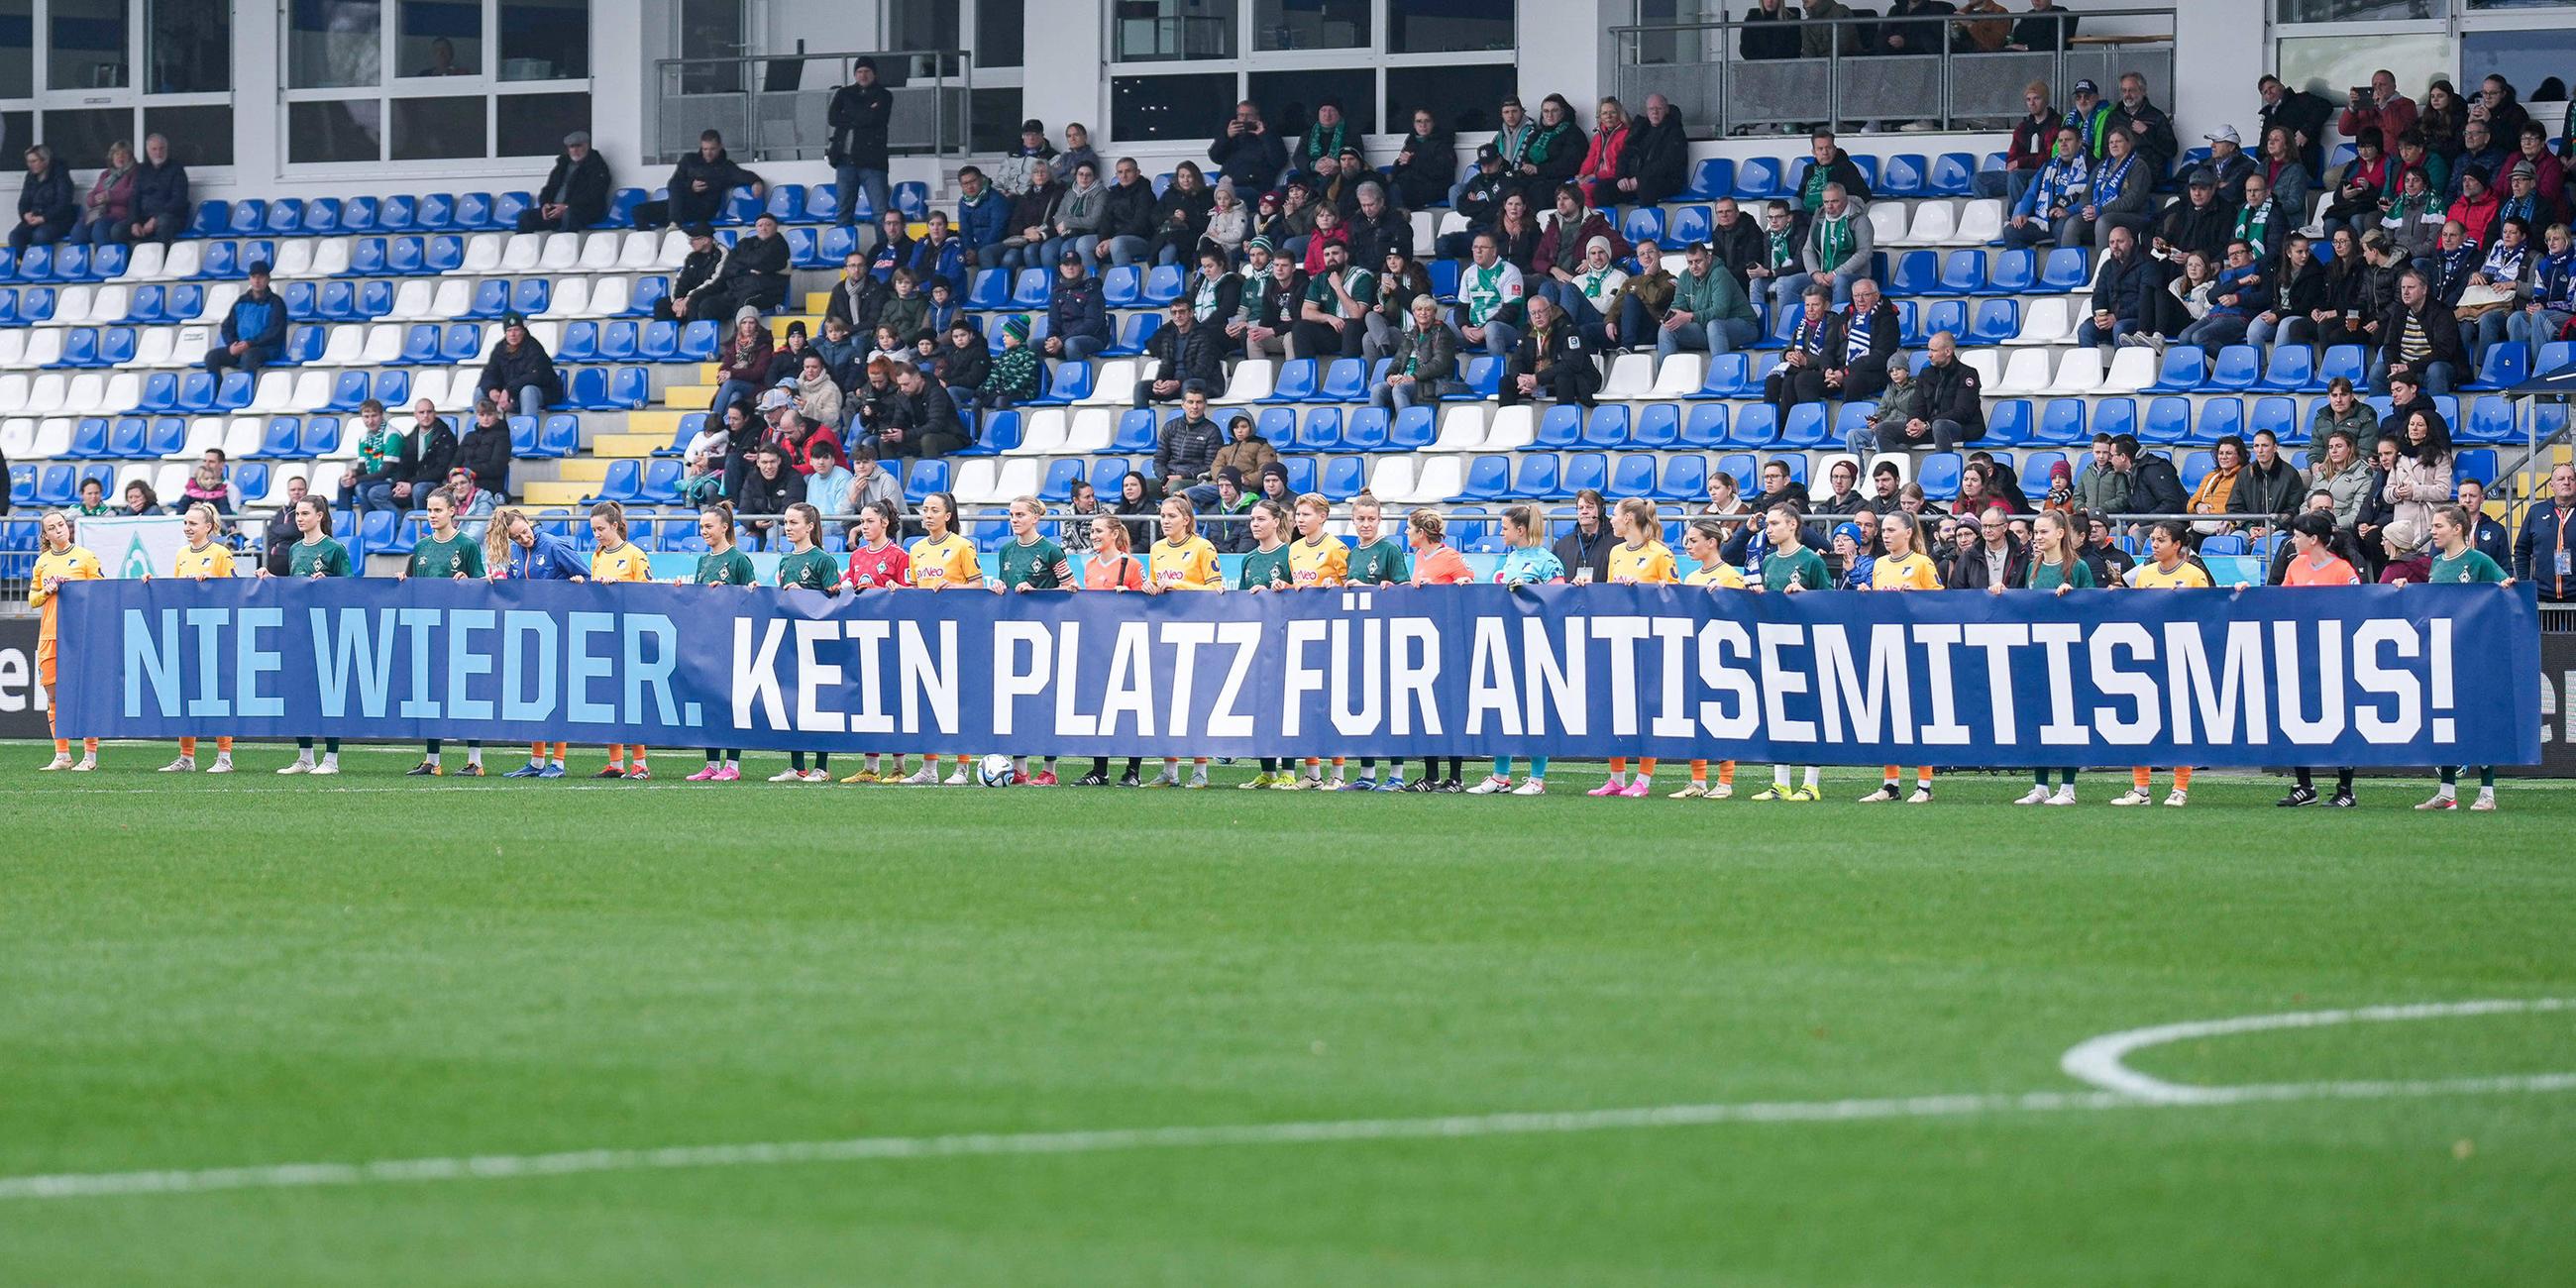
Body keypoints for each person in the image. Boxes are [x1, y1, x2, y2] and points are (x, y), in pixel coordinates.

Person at [2409, 503, 2515, 809]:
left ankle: (2487, 793)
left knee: (2480, 718)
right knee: (2445, 719)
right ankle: (2447, 792)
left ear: (2457, 528)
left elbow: (2502, 585)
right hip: (2444, 653)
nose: (2433, 531)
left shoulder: (2478, 560)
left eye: (2438, 526)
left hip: (2475, 652)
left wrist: (2505, 586)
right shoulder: (2437, 562)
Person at [2109, 521, 2211, 806]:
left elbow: (2208, 612)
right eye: (2152, 539)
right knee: (2142, 719)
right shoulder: (2146, 573)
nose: (2153, 544)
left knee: (2181, 721)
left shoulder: (2193, 575)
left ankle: (2180, 788)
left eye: (2161, 540)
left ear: (2177, 545)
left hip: (2181, 652)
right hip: (2149, 654)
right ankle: (2140, 789)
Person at [1584, 498, 1680, 799]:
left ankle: (1644, 777)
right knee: (1617, 708)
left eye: (1613, 515)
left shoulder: (1660, 554)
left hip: (1649, 641)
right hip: (1619, 637)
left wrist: (1643, 590)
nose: (1609, 520)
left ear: (1628, 518)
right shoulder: (1615, 552)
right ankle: (1616, 777)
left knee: (1646, 709)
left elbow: (1676, 598)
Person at [484, 508, 586, 778]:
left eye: (525, 533)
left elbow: (587, 578)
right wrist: (497, 581)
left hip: (562, 628)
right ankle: (537, 760)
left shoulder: (553, 545)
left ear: (530, 524)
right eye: (517, 538)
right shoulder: (517, 553)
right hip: (534, 633)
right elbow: (517, 587)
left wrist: (577, 582)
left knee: (558, 694)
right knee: (535, 695)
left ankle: (559, 762)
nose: (524, 539)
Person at [396, 490, 487, 777]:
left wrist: (468, 581)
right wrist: (404, 580)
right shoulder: (421, 547)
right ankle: (432, 759)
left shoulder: (467, 545)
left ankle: (475, 760)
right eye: (429, 510)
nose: (432, 516)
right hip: (429, 628)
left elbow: (483, 581)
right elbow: (416, 585)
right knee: (431, 693)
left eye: (437, 510)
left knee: (466, 694)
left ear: (452, 511)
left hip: (459, 630)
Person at [261, 496, 354, 775]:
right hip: (300, 628)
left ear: (319, 516)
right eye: (297, 514)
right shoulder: (297, 549)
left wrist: (330, 584)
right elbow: (294, 587)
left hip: (327, 628)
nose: (299, 518)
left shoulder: (334, 549)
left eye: (304, 513)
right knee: (299, 691)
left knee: (328, 694)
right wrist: (272, 579)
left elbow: (350, 586)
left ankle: (332, 759)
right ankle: (305, 756)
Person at [1856, 511, 1944, 804]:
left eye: (1892, 529)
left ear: (1908, 532)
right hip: (1886, 644)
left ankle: (1924, 785)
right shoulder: (1879, 564)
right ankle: (1890, 783)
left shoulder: (1922, 563)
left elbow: (1942, 602)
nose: (1885, 534)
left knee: (1918, 715)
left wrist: (1919, 593)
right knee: (1888, 716)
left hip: (1915, 646)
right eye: (1884, 529)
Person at [897, 493, 984, 786]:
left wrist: (956, 586)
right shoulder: (917, 548)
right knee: (927, 699)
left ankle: (962, 767)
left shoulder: (962, 546)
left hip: (958, 629)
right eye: (925, 510)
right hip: (927, 631)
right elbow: (914, 589)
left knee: (959, 698)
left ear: (948, 515)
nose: (928, 514)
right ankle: (928, 768)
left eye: (935, 510)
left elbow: (979, 585)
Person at [1744, 505, 1829, 801]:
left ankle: (1811, 783)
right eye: (1768, 523)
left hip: (1806, 646)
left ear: (1792, 525)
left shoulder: (1810, 560)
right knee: (1779, 712)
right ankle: (1780, 783)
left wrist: (1806, 595)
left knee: (1808, 714)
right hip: (1775, 645)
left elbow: (1830, 600)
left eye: (1775, 523)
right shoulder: (1767, 561)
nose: (1769, 528)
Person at [148, 504, 238, 773]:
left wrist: (214, 583)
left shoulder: (221, 553)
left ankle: (224, 756)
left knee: (217, 694)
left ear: (208, 527)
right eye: (185, 523)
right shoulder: (182, 554)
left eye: (193, 523)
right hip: (188, 630)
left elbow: (237, 589)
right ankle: (186, 757)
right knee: (187, 694)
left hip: (215, 630)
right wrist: (152, 583)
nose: (187, 527)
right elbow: (177, 591)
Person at [831, 499, 914, 785]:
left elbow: (911, 593)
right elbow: (847, 585)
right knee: (867, 699)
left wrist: (894, 590)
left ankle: (899, 765)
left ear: (884, 523)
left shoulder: (898, 555)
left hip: (890, 636)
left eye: (869, 521)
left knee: (891, 699)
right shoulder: (857, 557)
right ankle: (870, 766)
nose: (863, 527)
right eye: (861, 522)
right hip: (861, 635)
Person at [1141, 495, 1221, 790]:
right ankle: (1169, 768)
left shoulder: (1202, 547)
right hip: (1165, 631)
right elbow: (1154, 584)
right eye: (1162, 515)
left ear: (1186, 519)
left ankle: (1200, 770)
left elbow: (1216, 588)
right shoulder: (1157, 549)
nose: (1165, 520)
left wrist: (1180, 586)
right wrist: (1148, 586)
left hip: (1196, 631)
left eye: (1171, 516)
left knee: (1196, 701)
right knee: (1164, 700)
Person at [582, 501, 654, 780]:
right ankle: (615, 762)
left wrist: (620, 587)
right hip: (605, 632)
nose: (596, 534)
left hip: (630, 632)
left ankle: (641, 764)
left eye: (601, 529)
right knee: (608, 698)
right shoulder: (598, 555)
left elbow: (648, 593)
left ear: (615, 525)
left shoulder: (635, 555)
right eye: (593, 530)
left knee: (631, 699)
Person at [30, 510, 103, 771]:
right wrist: (46, 590)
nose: (59, 529)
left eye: (61, 524)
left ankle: (90, 755)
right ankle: (62, 755)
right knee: (53, 694)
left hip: (80, 634)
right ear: (46, 535)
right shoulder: (42, 562)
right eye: (52, 527)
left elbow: (101, 592)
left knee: (84, 693)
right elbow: (32, 599)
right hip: (50, 633)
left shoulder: (85, 557)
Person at [642, 130, 764, 230]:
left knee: (677, 189)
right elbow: (673, 183)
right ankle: (651, 248)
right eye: (705, 149)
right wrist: (691, 186)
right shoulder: (689, 160)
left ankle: (675, 224)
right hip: (679, 206)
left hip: (703, 210)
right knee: (638, 211)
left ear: (720, 147)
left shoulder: (725, 167)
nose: (708, 153)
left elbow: (742, 175)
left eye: (712, 149)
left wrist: (756, 182)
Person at [1659, 239, 1759, 361]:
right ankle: (1666, 376)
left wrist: (1689, 317)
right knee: (1667, 329)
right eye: (1690, 262)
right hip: (1707, 329)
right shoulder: (1685, 276)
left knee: (1714, 325)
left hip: (1744, 327)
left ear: (1708, 258)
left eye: (1698, 261)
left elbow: (1720, 312)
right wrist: (1670, 317)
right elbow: (1678, 305)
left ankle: (1720, 375)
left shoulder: (1720, 274)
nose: (1694, 266)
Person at [827, 56, 894, 227]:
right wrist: (864, 112)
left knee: (880, 212)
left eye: (866, 71)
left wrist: (849, 113)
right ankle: (844, 252)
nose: (863, 75)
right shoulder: (843, 93)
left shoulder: (884, 95)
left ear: (874, 74)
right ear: (855, 74)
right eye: (859, 72)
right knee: (843, 211)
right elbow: (832, 118)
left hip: (873, 163)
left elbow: (875, 118)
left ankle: (884, 251)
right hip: (845, 161)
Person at [2079, 224, 2160, 354]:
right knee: (2085, 329)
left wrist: (2117, 317)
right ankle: (2090, 372)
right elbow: (2099, 295)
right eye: (2112, 242)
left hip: (2139, 321)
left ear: (2131, 242)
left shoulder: (2147, 263)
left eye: (2120, 241)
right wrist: (2099, 316)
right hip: (2112, 319)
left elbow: (2147, 302)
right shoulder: (2107, 266)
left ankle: (2122, 371)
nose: (2115, 246)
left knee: (2120, 327)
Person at [2005, 129, 2092, 250]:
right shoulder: (2049, 165)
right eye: (2060, 140)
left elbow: (2091, 198)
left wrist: (2069, 211)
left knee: (2062, 224)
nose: (2063, 143)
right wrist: (2023, 212)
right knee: (2012, 230)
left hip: (2072, 217)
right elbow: (2031, 193)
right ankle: (2022, 268)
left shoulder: (2090, 164)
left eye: (2068, 140)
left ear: (2079, 142)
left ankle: (2060, 266)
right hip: (2044, 219)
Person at [697, 213, 794, 320]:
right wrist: (748, 269)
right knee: (708, 305)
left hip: (765, 292)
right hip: (737, 290)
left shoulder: (779, 244)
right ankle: (710, 335)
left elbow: (760, 261)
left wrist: (740, 263)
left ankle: (740, 336)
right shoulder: (746, 243)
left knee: (745, 303)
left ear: (776, 227)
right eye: (760, 225)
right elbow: (728, 266)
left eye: (768, 225)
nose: (763, 228)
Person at [1294, 240, 1377, 362]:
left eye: (1335, 253)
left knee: (1351, 325)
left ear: (1346, 255)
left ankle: (1348, 373)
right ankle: (1305, 375)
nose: (1330, 258)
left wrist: (1338, 287)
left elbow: (1356, 314)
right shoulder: (1320, 278)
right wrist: (1328, 317)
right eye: (1326, 255)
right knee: (1300, 327)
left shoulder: (1362, 276)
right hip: (1332, 330)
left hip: (1356, 332)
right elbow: (1306, 312)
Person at [205, 261, 287, 376]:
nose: (257, 281)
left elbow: (274, 333)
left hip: (266, 349)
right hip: (241, 348)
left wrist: (249, 344)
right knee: (212, 356)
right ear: (250, 279)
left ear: (268, 279)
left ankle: (245, 392)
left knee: (249, 356)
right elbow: (227, 326)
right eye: (253, 277)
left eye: (261, 277)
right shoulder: (241, 301)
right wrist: (232, 345)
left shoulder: (276, 303)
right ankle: (217, 391)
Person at [1451, 233, 1526, 357]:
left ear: (1494, 251)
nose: (1478, 251)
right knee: (1441, 329)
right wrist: (1465, 328)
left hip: (1506, 330)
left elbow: (1511, 311)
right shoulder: (1469, 273)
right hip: (1473, 330)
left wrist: (1483, 330)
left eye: (1483, 247)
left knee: (1491, 328)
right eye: (1475, 247)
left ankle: (1497, 373)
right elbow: (1461, 307)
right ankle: (1446, 375)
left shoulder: (1509, 271)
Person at [518, 132, 609, 233]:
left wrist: (567, 207)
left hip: (584, 211)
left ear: (587, 145)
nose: (575, 150)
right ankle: (525, 247)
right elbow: (549, 188)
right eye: (571, 147)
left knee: (569, 215)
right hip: (556, 210)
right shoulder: (562, 164)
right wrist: (545, 204)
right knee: (526, 217)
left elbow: (595, 194)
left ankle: (564, 247)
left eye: (578, 146)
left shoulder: (597, 166)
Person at [475, 314, 560, 420]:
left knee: (528, 391)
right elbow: (489, 372)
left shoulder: (534, 347)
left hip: (544, 392)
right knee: (480, 392)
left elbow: (535, 376)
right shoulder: (500, 348)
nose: (513, 334)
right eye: (509, 330)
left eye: (516, 330)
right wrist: (492, 389)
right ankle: (480, 432)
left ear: (523, 331)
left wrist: (508, 390)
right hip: (511, 394)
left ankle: (527, 430)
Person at [2514, 463, 2576, 602]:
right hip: (2543, 598)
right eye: (2561, 479)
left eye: (2571, 479)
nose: (2566, 482)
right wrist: (2525, 584)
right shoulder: (2536, 512)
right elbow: (2521, 550)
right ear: (2552, 485)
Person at [65, 140, 138, 246]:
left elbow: (131, 194)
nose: (120, 157)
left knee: (100, 229)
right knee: (78, 230)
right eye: (117, 154)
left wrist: (109, 197)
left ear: (130, 156)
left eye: (124, 153)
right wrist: (95, 199)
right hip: (99, 214)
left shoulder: (135, 173)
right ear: (111, 157)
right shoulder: (106, 174)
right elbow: (92, 194)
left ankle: (107, 260)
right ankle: (80, 261)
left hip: (121, 215)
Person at [1210, 100, 1288, 195]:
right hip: (1226, 185)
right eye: (1241, 115)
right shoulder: (1232, 136)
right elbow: (1215, 157)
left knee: (1230, 195)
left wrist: (1264, 136)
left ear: (1257, 117)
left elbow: (1279, 161)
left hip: (1255, 187)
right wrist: (1226, 137)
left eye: (1248, 115)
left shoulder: (1269, 135)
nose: (1244, 119)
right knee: (1205, 194)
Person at [127, 133, 189, 245]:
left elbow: (179, 200)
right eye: (154, 149)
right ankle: (130, 261)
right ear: (148, 151)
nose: (158, 153)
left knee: (164, 222)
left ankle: (160, 259)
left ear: (167, 149)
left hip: (170, 217)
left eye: (161, 148)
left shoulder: (176, 169)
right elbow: (134, 198)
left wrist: (155, 219)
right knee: (117, 230)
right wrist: (134, 222)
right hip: (143, 218)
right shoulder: (142, 170)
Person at [11, 145, 75, 251]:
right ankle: (22, 263)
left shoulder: (61, 176)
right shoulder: (30, 177)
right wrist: (25, 214)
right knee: (15, 236)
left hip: (58, 220)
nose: (30, 165)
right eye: (28, 162)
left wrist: (44, 218)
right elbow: (23, 201)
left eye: (34, 161)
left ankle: (38, 265)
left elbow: (63, 204)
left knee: (40, 235)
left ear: (45, 160)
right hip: (35, 218)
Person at [1553, 487, 1615, 584]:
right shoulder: (1562, 545)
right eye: (1580, 508)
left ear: (1601, 510)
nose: (1584, 511)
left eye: (1590, 507)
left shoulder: (1617, 542)